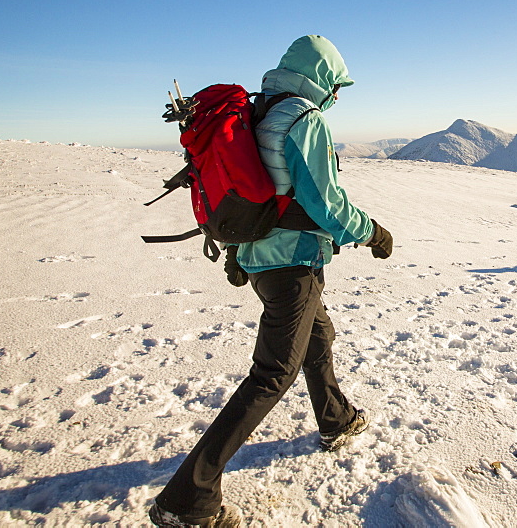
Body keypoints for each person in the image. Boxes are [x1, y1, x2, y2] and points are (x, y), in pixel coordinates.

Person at [150, 36, 394, 528]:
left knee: (317, 334)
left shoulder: (259, 112)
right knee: (272, 374)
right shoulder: (304, 118)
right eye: (336, 85)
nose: (338, 96)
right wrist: (373, 233)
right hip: (293, 264)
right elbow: (325, 203)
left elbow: (253, 189)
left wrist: (238, 254)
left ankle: (336, 420)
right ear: (320, 78)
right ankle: (188, 500)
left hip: (262, 261)